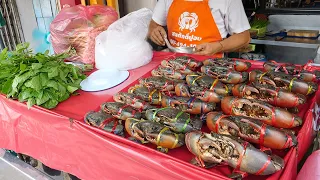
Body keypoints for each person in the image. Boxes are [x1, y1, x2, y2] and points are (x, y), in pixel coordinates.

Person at [148, 0, 251, 57]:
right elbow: (154, 24)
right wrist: (154, 31)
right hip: (173, 63)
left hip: (210, 66)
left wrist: (219, 46)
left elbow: (244, 37)